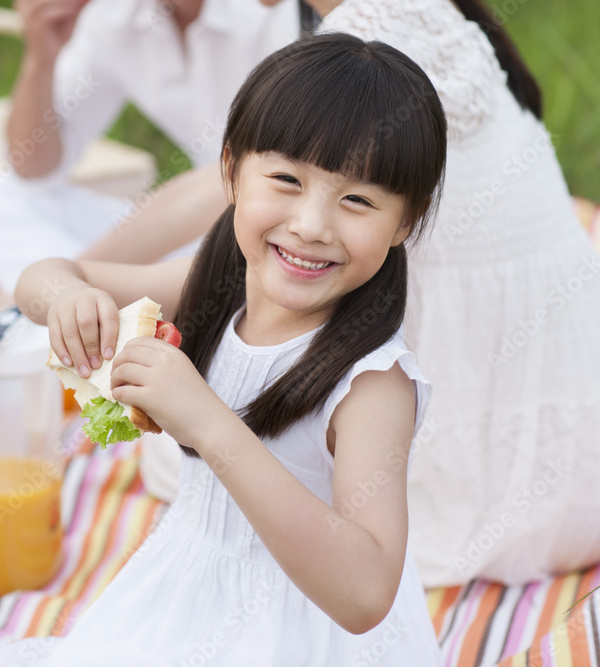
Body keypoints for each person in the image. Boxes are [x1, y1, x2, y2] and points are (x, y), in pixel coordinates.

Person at [0, 33, 448, 664]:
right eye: (285, 179)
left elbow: (364, 592)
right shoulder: (219, 290)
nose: (311, 225)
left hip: (300, 638)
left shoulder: (371, 384)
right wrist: (66, 300)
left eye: (357, 200)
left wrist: (207, 421)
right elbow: (47, 273)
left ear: (405, 222)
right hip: (189, 594)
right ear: (230, 171)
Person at [120, 0, 600, 587]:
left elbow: (218, 190)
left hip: (478, 469)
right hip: (572, 426)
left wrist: (89, 264)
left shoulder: (369, 44)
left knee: (198, 452)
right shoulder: (423, 12)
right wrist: (78, 270)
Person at [0, 0, 303, 297]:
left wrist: (63, 285)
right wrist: (40, 57)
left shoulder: (274, 13)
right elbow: (32, 167)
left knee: (236, 267)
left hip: (263, 237)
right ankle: (103, 312)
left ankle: (61, 318)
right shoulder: (118, 14)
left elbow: (248, 181)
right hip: (182, 233)